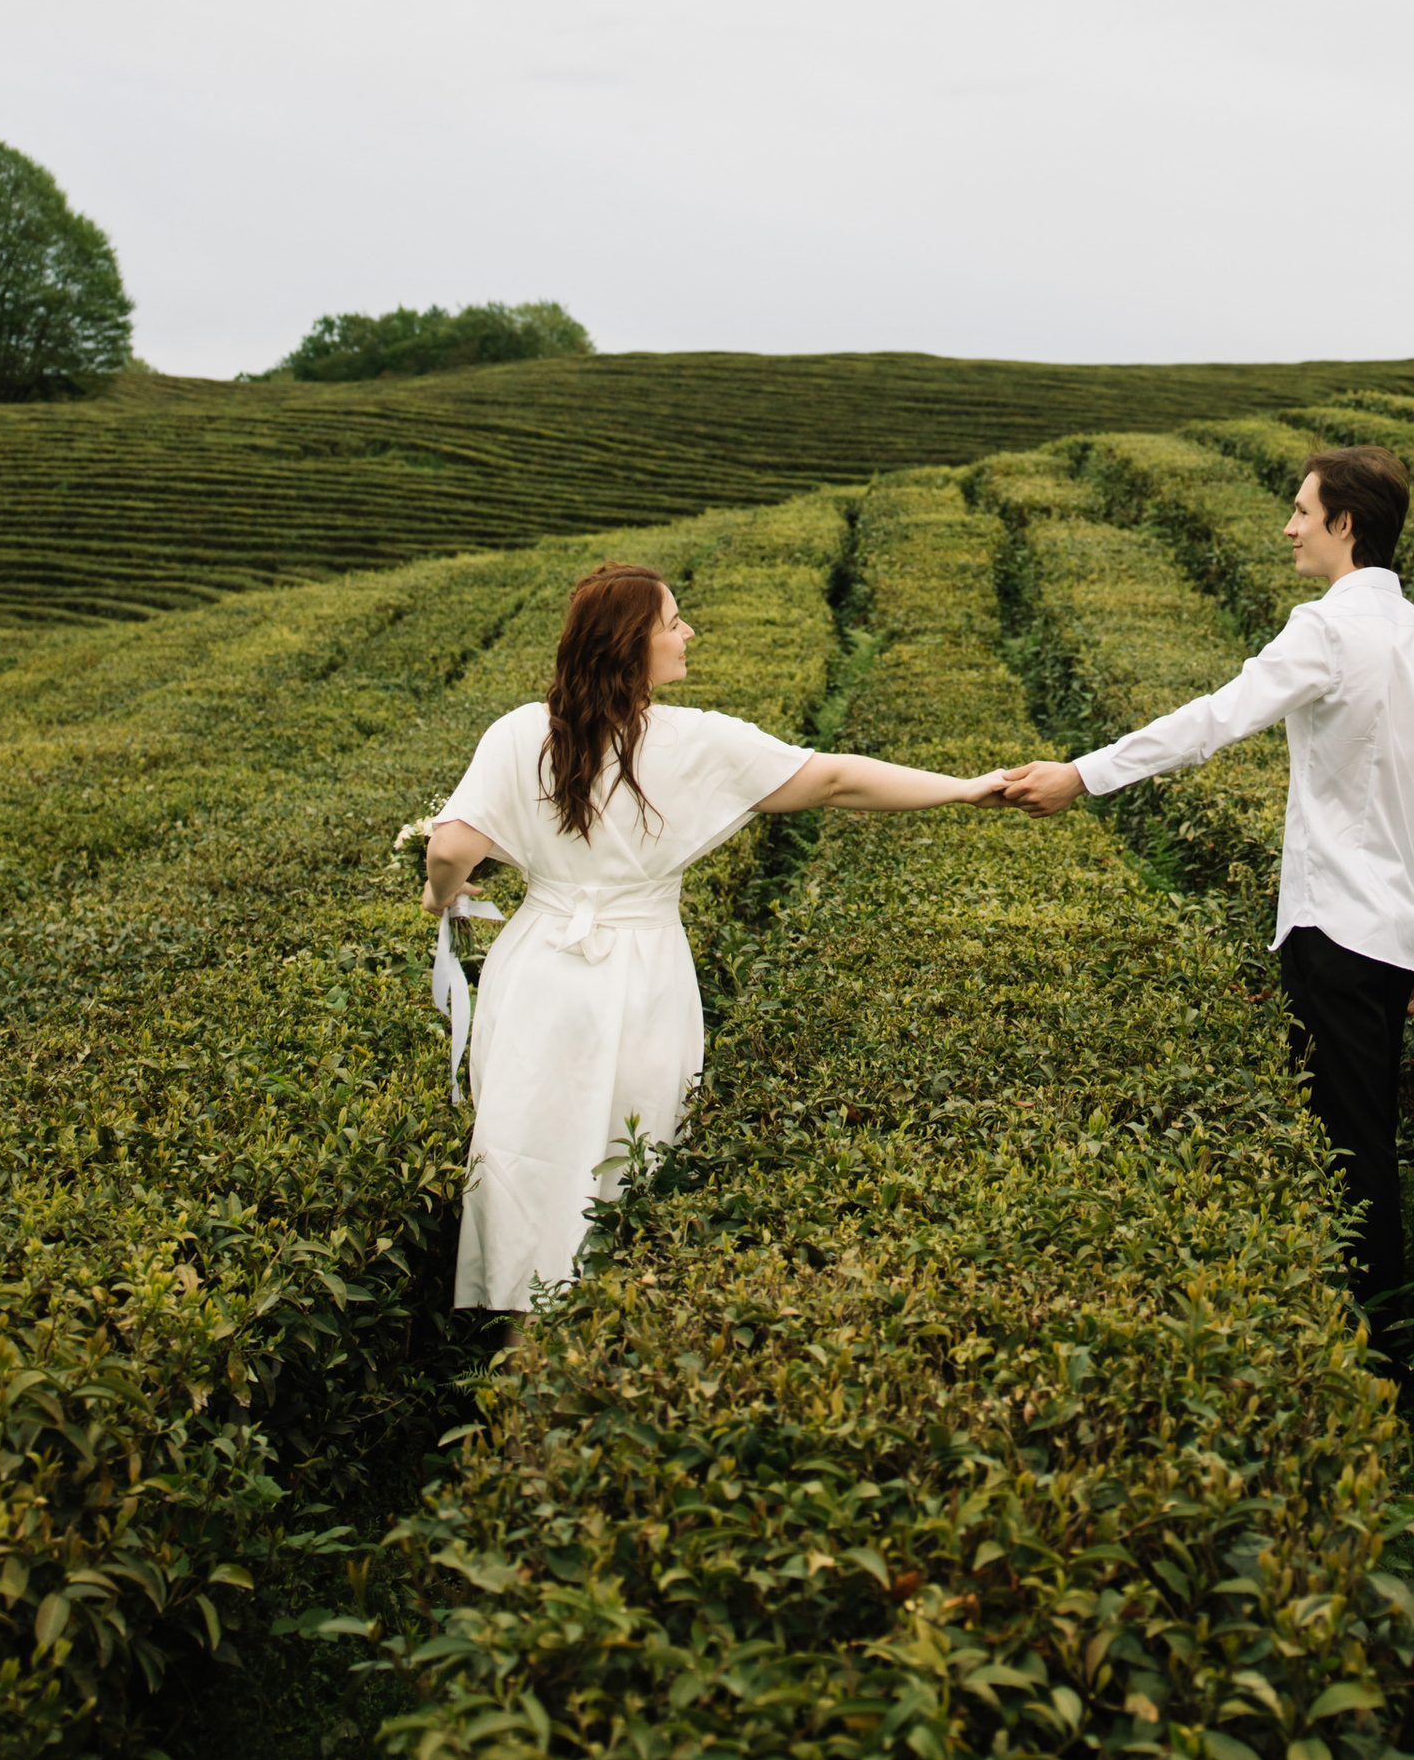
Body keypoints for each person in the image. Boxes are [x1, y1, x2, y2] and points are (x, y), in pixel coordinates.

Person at [418, 561, 1006, 1312]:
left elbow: (450, 849)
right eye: (673, 622)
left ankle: (519, 1320)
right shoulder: (696, 740)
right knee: (632, 1147)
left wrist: (444, 899)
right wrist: (961, 787)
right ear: (633, 644)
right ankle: (610, 1321)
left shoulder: (519, 731)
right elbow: (833, 780)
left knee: (530, 1136)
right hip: (642, 968)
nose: (688, 632)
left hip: (537, 964)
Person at [1000, 446, 1414, 1323]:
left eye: (1302, 511)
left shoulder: (1326, 629)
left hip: (1331, 929)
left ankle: (1383, 1344)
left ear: (1347, 524)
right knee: (1367, 1133)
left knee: (1348, 1148)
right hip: (1395, 934)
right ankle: (1375, 1335)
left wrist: (1083, 774)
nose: (1289, 527)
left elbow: (1214, 720)